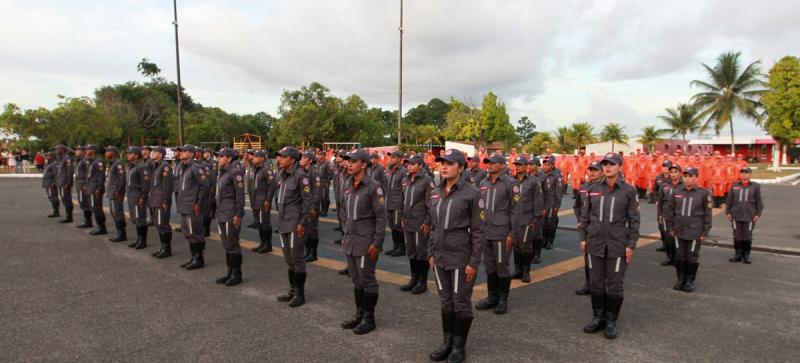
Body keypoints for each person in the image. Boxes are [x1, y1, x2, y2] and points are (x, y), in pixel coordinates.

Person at [427, 149, 484, 363]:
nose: (444, 166)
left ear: (461, 168)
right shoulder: (435, 191)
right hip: (439, 256)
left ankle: (459, 346)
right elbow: (433, 225)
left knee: (460, 302)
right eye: (442, 162)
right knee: (445, 301)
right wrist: (430, 252)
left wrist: (473, 262)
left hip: (461, 257)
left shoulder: (472, 193)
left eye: (449, 163)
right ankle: (447, 342)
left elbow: (478, 231)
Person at [579, 153, 640, 339]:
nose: (607, 167)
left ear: (619, 167)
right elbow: (585, 216)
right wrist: (583, 238)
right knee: (596, 283)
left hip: (617, 245)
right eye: (605, 164)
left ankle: (612, 321)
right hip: (594, 243)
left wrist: (630, 245)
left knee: (614, 285)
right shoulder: (594, 188)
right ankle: (598, 317)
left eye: (611, 164)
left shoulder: (628, 191)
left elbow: (634, 220)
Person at [339, 149, 387, 335]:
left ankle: (369, 318)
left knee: (367, 280)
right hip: (350, 239)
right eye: (348, 161)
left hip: (366, 241)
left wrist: (377, 243)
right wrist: (345, 234)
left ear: (364, 164)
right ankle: (359, 314)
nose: (349, 164)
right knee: (356, 280)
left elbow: (381, 218)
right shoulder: (348, 184)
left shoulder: (374, 187)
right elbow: (344, 211)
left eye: (353, 161)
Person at [475, 152, 514, 315]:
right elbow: (479, 207)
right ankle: (492, 297)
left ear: (501, 165)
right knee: (490, 266)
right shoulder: (483, 182)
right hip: (485, 231)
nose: (488, 165)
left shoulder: (509, 183)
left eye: (492, 162)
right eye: (487, 162)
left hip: (501, 232)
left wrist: (512, 234)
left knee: (501, 266)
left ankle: (503, 300)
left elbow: (516, 210)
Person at [274, 146, 313, 308]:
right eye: (279, 157)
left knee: (297, 260)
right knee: (289, 260)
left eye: (283, 157)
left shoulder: (300, 176)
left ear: (292, 159)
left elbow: (307, 201)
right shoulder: (281, 175)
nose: (279, 159)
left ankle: (299, 293)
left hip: (294, 223)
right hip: (283, 222)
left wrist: (302, 222)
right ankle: (292, 290)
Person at [663, 167, 712, 293]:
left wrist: (705, 231)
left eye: (690, 176)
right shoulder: (677, 192)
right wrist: (671, 228)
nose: (687, 179)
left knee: (692, 257)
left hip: (695, 231)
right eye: (685, 176)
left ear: (696, 177)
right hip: (679, 231)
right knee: (680, 256)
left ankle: (690, 281)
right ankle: (680, 279)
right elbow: (669, 212)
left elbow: (707, 214)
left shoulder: (703, 193)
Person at [399, 154, 434, 294]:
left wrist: (427, 222)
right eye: (407, 163)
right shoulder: (405, 180)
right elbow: (403, 200)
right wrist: (402, 215)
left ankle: (422, 281)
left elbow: (431, 204)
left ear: (420, 165)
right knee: (411, 252)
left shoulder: (427, 181)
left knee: (421, 253)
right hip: (408, 222)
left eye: (412, 164)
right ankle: (413, 279)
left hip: (420, 222)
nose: (409, 166)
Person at [213, 148, 246, 286]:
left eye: (221, 156)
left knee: (232, 244)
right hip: (221, 212)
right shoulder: (222, 173)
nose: (218, 159)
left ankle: (236, 274)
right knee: (226, 244)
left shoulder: (235, 173)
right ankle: (229, 272)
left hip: (230, 213)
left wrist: (238, 213)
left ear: (229, 158)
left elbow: (240, 195)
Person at [175, 144, 210, 270]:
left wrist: (198, 203)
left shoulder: (196, 167)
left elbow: (205, 185)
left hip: (192, 206)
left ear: (191, 154)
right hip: (184, 205)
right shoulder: (183, 167)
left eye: (184, 151)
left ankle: (199, 258)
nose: (181, 153)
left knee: (195, 233)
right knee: (187, 232)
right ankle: (193, 256)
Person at [510, 156, 544, 283]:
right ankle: (517, 270)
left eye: (520, 164)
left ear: (526, 166)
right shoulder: (510, 180)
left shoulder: (533, 181)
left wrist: (536, 218)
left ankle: (526, 271)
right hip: (513, 219)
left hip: (527, 218)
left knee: (526, 246)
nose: (517, 166)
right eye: (516, 164)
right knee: (516, 246)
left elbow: (538, 199)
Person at [573, 160, 602, 295]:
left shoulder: (604, 187)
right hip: (586, 228)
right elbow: (577, 206)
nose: (592, 172)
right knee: (587, 256)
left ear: (601, 172)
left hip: (599, 228)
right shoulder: (583, 187)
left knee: (600, 258)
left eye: (595, 170)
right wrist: (580, 220)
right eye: (590, 169)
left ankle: (599, 285)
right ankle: (589, 284)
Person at [726, 167, 763, 264]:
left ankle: (746, 255)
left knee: (747, 236)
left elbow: (759, 202)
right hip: (735, 215)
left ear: (750, 174)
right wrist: (728, 212)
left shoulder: (755, 186)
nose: (744, 175)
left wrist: (758, 214)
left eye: (746, 173)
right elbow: (729, 200)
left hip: (750, 215)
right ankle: (738, 255)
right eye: (742, 173)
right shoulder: (734, 185)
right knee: (737, 235)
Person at [148, 147, 174, 258]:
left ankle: (166, 249)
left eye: (154, 152)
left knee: (163, 224)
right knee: (158, 224)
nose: (151, 153)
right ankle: (162, 247)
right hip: (154, 199)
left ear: (160, 154)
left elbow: (168, 186)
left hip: (160, 201)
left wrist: (166, 200)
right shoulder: (156, 166)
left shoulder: (165, 167)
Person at [248, 150, 276, 254]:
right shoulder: (255, 168)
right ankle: (262, 243)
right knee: (259, 223)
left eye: (255, 156)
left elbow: (272, 184)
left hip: (262, 200)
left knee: (265, 223)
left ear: (262, 158)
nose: (253, 158)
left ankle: (268, 244)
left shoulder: (266, 169)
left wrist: (268, 200)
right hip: (255, 200)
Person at [657, 163, 684, 267]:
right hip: (666, 216)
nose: (673, 174)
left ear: (680, 173)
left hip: (679, 216)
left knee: (678, 239)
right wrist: (659, 215)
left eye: (675, 172)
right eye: (671, 172)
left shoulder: (683, 185)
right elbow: (660, 202)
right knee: (668, 239)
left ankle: (678, 259)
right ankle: (670, 257)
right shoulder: (664, 185)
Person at [125, 146, 150, 249]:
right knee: (135, 218)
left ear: (136, 155)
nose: (127, 155)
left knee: (140, 219)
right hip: (131, 197)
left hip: (138, 197)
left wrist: (143, 197)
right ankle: (139, 239)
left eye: (130, 153)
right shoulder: (131, 167)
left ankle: (143, 241)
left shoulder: (141, 167)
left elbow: (145, 184)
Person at [384, 151, 408, 257]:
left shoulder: (403, 171)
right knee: (392, 226)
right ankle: (395, 246)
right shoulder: (390, 170)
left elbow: (405, 189)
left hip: (398, 202)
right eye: (391, 157)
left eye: (394, 157)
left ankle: (402, 248)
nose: (391, 158)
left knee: (399, 226)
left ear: (400, 158)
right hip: (389, 201)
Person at [300, 150, 321, 262]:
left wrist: (313, 207)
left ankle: (313, 253)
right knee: (307, 229)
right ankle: (307, 251)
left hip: (312, 206)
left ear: (310, 160)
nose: (301, 159)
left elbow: (317, 192)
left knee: (312, 229)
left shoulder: (314, 173)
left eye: (304, 158)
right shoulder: (303, 171)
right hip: (305, 205)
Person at [526, 156, 546, 264]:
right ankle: (530, 253)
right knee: (528, 233)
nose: (529, 166)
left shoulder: (543, 177)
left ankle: (537, 254)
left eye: (532, 164)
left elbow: (547, 194)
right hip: (527, 208)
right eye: (528, 164)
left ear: (537, 165)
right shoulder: (526, 177)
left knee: (537, 233)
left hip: (539, 208)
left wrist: (545, 208)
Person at [84, 145, 107, 236]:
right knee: (94, 208)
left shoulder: (98, 162)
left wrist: (99, 189)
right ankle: (99, 226)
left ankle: (102, 228)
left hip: (95, 189)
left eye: (88, 149)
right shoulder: (92, 162)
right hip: (91, 188)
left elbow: (101, 177)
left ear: (93, 151)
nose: (86, 150)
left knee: (97, 209)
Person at [105, 146, 128, 242]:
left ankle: (122, 234)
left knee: (117, 213)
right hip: (112, 192)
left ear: (113, 152)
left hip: (116, 192)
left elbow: (122, 178)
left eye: (108, 151)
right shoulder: (113, 163)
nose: (106, 153)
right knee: (114, 212)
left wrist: (118, 190)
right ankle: (119, 232)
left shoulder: (118, 163)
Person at [541, 155, 563, 250]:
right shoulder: (541, 176)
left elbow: (559, 193)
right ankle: (544, 239)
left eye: (548, 165)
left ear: (552, 166)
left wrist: (557, 206)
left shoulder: (556, 177)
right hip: (542, 204)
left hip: (551, 204)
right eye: (544, 164)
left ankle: (550, 241)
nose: (545, 166)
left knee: (551, 223)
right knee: (543, 223)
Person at [55, 145, 74, 223]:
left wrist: (68, 183)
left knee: (67, 200)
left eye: (57, 149)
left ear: (62, 150)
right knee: (64, 199)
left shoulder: (67, 159)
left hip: (65, 183)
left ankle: (69, 216)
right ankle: (68, 215)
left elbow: (70, 172)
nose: (56, 151)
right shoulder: (62, 159)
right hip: (61, 183)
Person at [42, 151, 60, 218]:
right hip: (48, 183)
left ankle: (56, 211)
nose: (47, 157)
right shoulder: (49, 163)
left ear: (52, 156)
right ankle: (55, 211)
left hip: (51, 183)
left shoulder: (54, 164)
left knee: (53, 197)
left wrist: (54, 183)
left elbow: (57, 174)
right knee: (51, 197)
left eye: (48, 156)